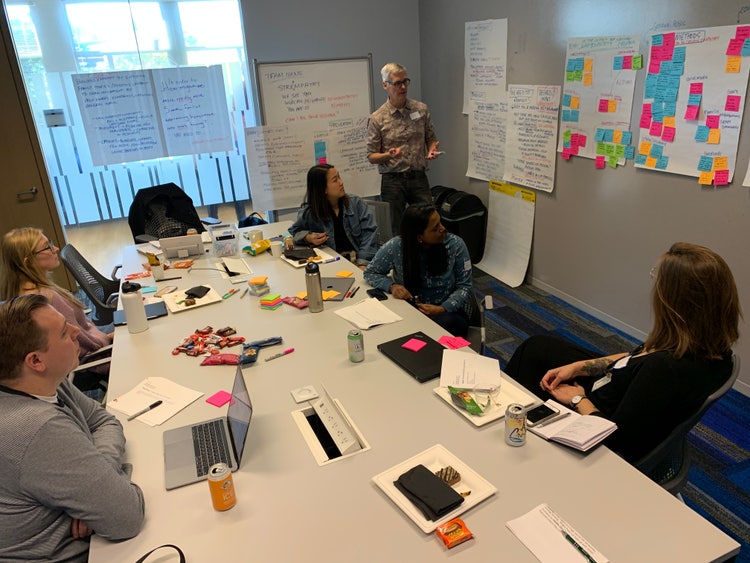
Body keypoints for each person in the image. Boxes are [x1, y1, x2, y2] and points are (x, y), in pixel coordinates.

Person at [505, 242, 741, 464]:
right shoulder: (710, 346)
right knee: (539, 347)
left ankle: (508, 433)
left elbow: (614, 437)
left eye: (656, 278)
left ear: (676, 301)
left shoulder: (664, 369)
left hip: (599, 417)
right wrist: (579, 367)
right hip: (615, 386)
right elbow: (633, 356)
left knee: (529, 371)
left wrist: (577, 399)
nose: (653, 286)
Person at [0, 294, 145, 562]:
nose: (78, 330)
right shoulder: (37, 429)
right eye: (65, 332)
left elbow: (104, 421)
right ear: (35, 361)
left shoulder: (43, 381)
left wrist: (98, 480)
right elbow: (126, 517)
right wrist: (100, 495)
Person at [0, 227, 113, 368]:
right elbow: (85, 344)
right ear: (28, 262)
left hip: (95, 337)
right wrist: (110, 338)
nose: (56, 248)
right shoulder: (45, 298)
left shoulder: (22, 294)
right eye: (48, 247)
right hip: (99, 355)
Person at [364, 203, 474, 337]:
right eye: (435, 228)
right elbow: (370, 272)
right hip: (409, 309)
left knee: (445, 328)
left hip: (447, 312)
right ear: (419, 237)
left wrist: (442, 308)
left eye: (440, 222)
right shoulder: (396, 246)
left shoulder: (456, 245)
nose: (443, 229)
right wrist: (392, 286)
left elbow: (465, 287)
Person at [366, 62, 440, 234]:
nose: (403, 87)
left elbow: (431, 138)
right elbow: (371, 156)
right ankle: (400, 260)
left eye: (405, 81)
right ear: (385, 85)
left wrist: (431, 150)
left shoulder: (420, 109)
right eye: (397, 83)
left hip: (418, 177)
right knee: (395, 228)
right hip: (393, 181)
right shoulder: (377, 118)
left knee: (429, 222)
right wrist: (387, 155)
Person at [289, 163, 379, 269]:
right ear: (323, 189)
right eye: (335, 180)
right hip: (330, 263)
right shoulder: (310, 211)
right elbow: (294, 231)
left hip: (358, 261)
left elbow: (370, 234)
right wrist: (308, 237)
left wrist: (363, 263)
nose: (341, 183)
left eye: (339, 177)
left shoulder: (356, 203)